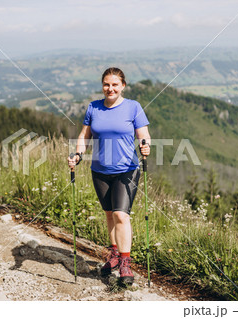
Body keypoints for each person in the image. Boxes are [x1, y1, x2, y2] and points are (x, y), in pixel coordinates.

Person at [67, 67, 151, 285]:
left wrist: (145, 146)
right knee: (109, 214)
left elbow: (144, 135)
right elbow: (84, 136)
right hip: (100, 171)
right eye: (106, 84)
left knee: (121, 215)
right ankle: (114, 254)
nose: (110, 88)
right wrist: (77, 155)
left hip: (127, 170)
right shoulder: (93, 107)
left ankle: (125, 263)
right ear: (102, 86)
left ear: (123, 86)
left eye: (115, 84)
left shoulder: (133, 107)